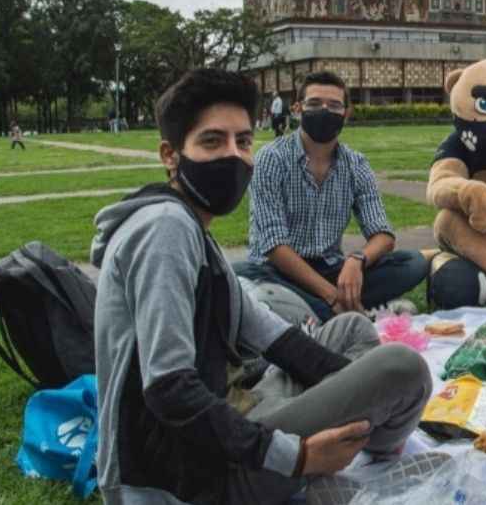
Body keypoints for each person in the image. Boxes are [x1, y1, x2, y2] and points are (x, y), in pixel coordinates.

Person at [91, 68, 432, 504]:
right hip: (187, 478)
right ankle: (364, 455)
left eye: (243, 141)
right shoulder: (165, 230)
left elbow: (273, 336)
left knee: (353, 332)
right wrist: (298, 456)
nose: (233, 157)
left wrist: (353, 385)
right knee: (402, 369)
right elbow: (170, 391)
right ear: (171, 155)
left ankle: (352, 445)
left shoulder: (190, 224)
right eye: (213, 142)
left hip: (228, 418)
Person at [240, 71, 428, 321]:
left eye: (334, 105)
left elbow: (383, 235)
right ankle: (341, 310)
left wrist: (356, 260)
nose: (325, 111)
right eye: (315, 104)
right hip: (279, 270)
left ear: (346, 114)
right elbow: (274, 246)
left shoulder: (356, 164)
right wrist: (331, 294)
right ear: (298, 109)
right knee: (242, 275)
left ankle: (310, 313)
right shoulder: (271, 158)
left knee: (412, 263)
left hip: (331, 268)